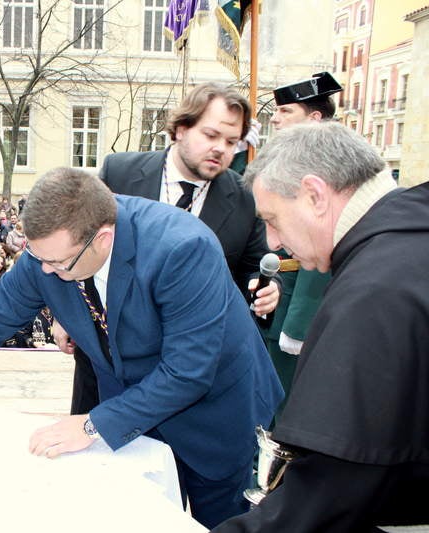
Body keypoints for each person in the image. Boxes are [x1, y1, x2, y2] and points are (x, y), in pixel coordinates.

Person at [0, 168, 283, 528]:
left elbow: (188, 372)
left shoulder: (183, 249)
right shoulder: (49, 254)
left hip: (212, 418)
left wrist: (91, 424)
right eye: (39, 258)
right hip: (130, 415)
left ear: (103, 238)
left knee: (219, 524)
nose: (46, 272)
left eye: (58, 263)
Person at [212, 122, 429, 532]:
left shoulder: (374, 291)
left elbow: (330, 491)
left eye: (273, 219)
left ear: (314, 195)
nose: (273, 242)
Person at [62, 83, 280, 415]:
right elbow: (78, 248)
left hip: (188, 373)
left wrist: (267, 292)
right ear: (181, 128)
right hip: (108, 361)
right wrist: (66, 315)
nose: (221, 149)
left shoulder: (245, 198)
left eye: (232, 142)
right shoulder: (119, 173)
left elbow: (252, 270)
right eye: (211, 135)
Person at [262, 72, 340, 415]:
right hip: (272, 299)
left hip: (296, 312)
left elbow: (320, 252)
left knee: (286, 405)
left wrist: (298, 327)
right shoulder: (290, 160)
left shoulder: (327, 169)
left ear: (315, 118)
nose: (275, 118)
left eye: (286, 111)